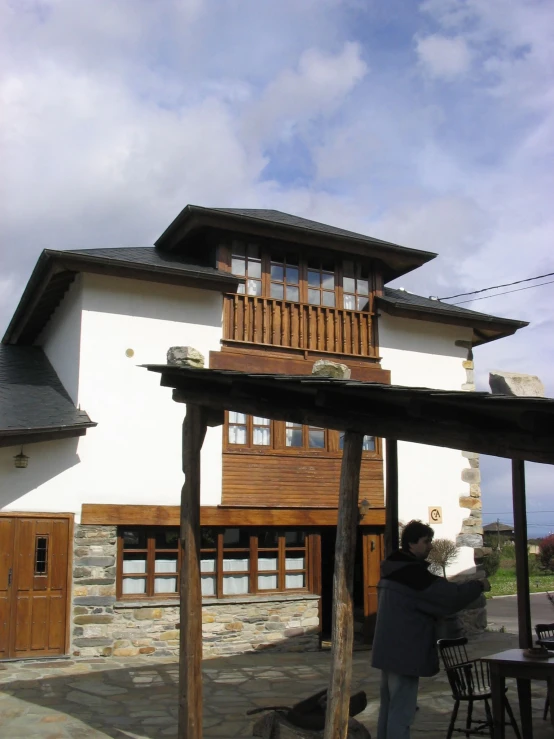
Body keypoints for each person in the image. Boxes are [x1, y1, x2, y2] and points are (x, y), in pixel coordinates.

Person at [371, 520, 489, 739]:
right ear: (411, 544)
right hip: (404, 653)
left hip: (389, 651)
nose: (430, 546)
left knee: (389, 708)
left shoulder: (393, 569)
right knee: (402, 711)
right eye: (426, 541)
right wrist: (478, 586)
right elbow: (449, 597)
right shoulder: (413, 576)